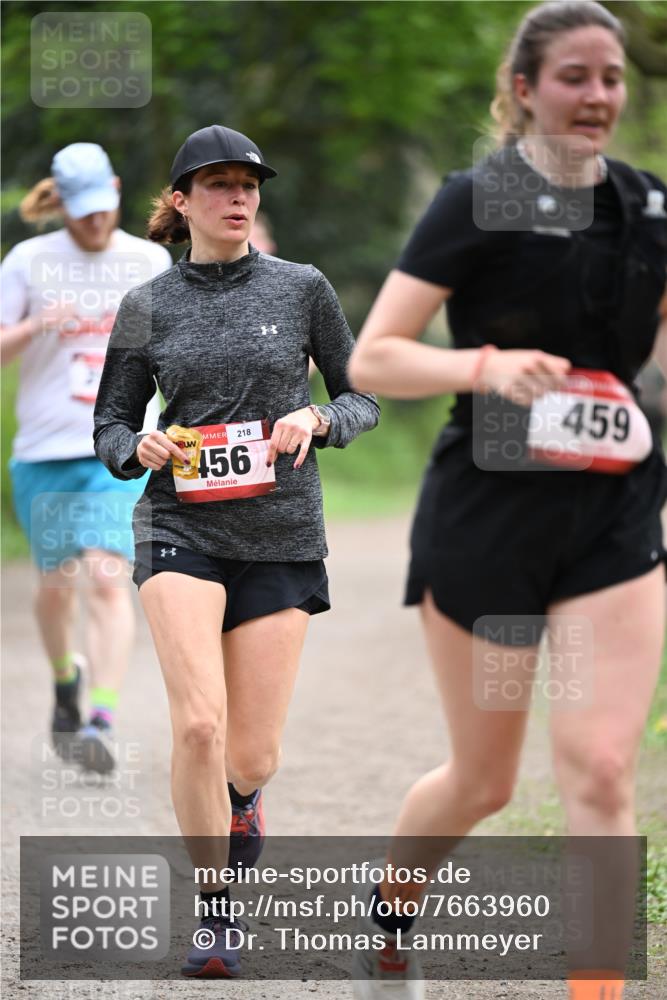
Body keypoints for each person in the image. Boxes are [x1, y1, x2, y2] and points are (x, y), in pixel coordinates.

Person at [348, 3, 667, 999]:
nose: (598, 96)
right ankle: (392, 912)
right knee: (482, 782)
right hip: (489, 515)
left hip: (612, 512)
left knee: (603, 769)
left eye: (612, 77)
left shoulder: (649, 204)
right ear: (524, 90)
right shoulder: (472, 200)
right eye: (574, 76)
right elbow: (374, 356)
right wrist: (485, 364)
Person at [93, 124, 379, 978]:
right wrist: (133, 448)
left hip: (281, 535)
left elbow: (362, 394)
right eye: (217, 183)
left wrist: (320, 417)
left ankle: (244, 802)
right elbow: (110, 418)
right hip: (179, 526)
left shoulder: (303, 289)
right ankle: (215, 914)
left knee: (249, 752)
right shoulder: (149, 304)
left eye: (248, 182)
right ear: (182, 203)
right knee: (199, 726)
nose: (238, 195)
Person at [1, 143, 171, 774]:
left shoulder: (148, 259)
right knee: (55, 588)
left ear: (118, 192)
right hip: (44, 452)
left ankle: (100, 719)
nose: (94, 223)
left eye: (103, 209)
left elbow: (174, 348)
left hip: (120, 446)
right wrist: (37, 325)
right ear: (63, 205)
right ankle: (64, 679)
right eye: (81, 213)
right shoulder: (28, 260)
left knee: (104, 576)